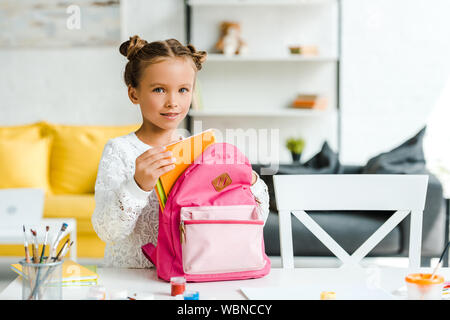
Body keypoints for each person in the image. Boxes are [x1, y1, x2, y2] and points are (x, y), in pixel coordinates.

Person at [91, 35, 270, 268]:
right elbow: (107, 232)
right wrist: (137, 186)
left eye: (183, 90)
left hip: (185, 277)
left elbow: (254, 218)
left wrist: (246, 177)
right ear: (134, 94)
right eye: (159, 90)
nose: (173, 102)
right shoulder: (120, 151)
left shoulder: (201, 151)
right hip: (131, 279)